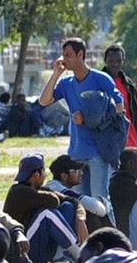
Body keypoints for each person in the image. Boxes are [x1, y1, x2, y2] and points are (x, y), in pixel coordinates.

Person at [38, 37, 126, 205]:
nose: (64, 59)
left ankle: (109, 231)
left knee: (101, 203)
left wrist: (89, 117)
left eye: (68, 55)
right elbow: (44, 101)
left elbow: (119, 107)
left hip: (98, 152)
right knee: (80, 203)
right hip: (76, 153)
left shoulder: (100, 79)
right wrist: (56, 74)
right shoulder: (66, 83)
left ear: (80, 54)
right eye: (63, 55)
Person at [101, 43, 137, 152]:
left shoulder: (128, 84)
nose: (115, 64)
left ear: (123, 61)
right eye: (111, 61)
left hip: (130, 137)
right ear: (105, 60)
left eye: (118, 61)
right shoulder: (98, 83)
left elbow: (136, 114)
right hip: (109, 138)